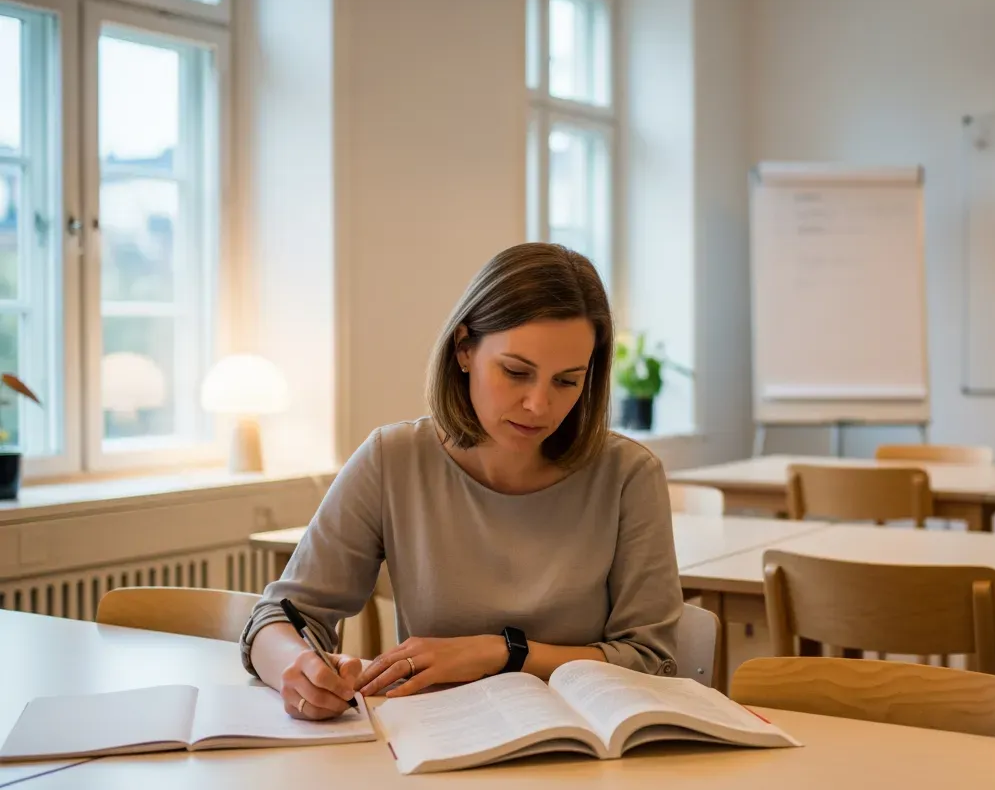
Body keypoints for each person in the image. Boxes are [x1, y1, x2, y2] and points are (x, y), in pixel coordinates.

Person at [240, 243, 683, 720]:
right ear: (464, 349)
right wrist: (298, 670)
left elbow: (652, 661)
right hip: (434, 735)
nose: (539, 404)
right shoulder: (394, 458)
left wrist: (502, 653)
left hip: (583, 742)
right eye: (516, 372)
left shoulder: (629, 474)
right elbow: (280, 617)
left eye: (567, 381)